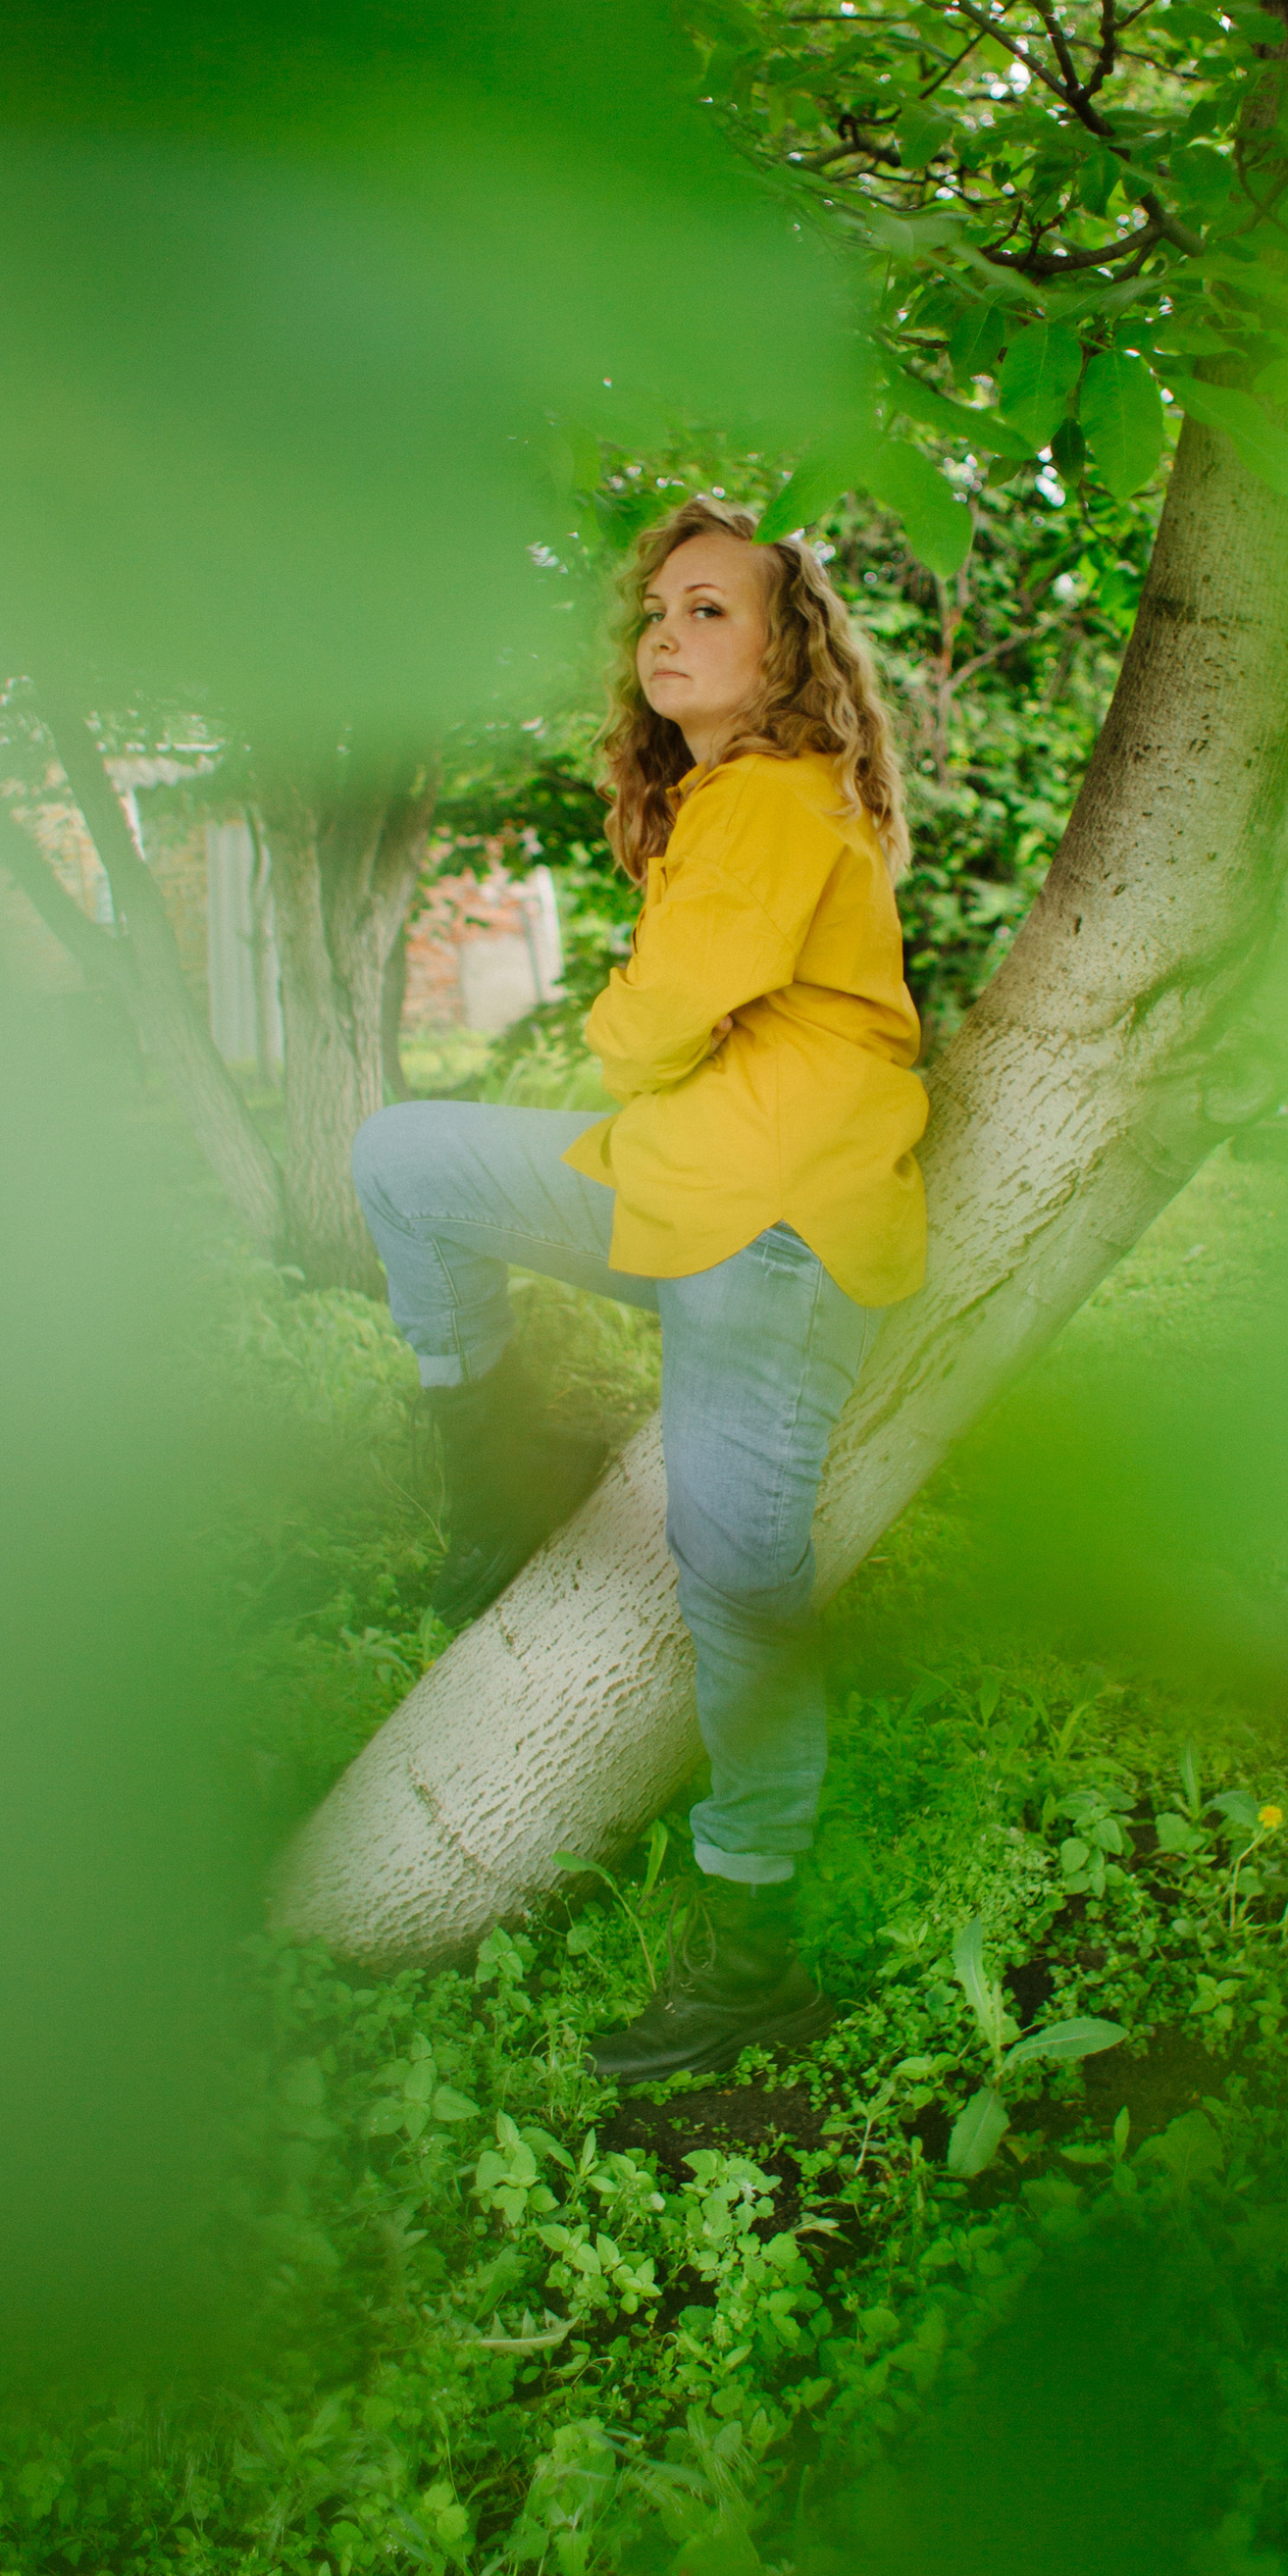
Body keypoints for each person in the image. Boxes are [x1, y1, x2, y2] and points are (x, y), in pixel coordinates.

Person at [351, 494, 927, 2084]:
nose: (668, 635)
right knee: (405, 1157)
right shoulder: (741, 800)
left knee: (737, 1580)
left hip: (772, 1236)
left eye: (709, 612)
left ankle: (756, 1952)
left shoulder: (770, 802)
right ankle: (503, 1484)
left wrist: (637, 1033)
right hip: (679, 1188)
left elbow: (644, 1028)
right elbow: (670, 1041)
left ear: (786, 647)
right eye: (655, 615)